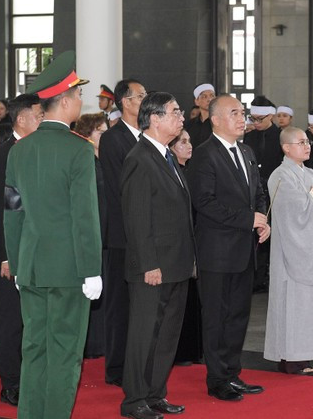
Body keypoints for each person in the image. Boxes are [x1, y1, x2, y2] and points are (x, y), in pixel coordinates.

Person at [3, 51, 102, 419]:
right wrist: (92, 268)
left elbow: (12, 213)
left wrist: (15, 262)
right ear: (63, 101)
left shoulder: (20, 150)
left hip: (30, 266)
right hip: (69, 270)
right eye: (78, 96)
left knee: (35, 349)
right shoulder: (78, 150)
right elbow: (84, 216)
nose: (80, 101)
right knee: (64, 352)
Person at [186, 95, 269, 403]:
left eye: (242, 112)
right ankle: (217, 378)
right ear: (216, 119)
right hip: (217, 251)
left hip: (243, 250)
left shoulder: (246, 151)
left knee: (238, 315)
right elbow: (204, 202)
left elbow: (257, 193)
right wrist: (249, 219)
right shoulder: (205, 155)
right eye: (234, 113)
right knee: (216, 317)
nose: (241, 117)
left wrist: (262, 220)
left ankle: (232, 373)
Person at [120, 92, 195, 419]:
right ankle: (134, 399)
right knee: (144, 334)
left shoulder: (166, 156)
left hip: (176, 263)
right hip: (153, 266)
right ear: (154, 118)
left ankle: (154, 394)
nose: (181, 118)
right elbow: (137, 218)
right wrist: (149, 263)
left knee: (166, 335)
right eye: (175, 113)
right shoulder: (139, 158)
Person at [264, 127, 313, 375]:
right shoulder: (280, 176)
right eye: (300, 142)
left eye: (307, 141)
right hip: (293, 253)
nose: (307, 146)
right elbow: (291, 211)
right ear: (286, 148)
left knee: (311, 307)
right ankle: (289, 358)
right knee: (292, 304)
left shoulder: (311, 173)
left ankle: (306, 354)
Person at [0, 93, 43, 407]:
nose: (43, 119)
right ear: (21, 119)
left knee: (36, 319)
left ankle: (35, 376)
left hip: (41, 251)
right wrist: (6, 254)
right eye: (38, 114)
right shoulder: (2, 155)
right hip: (12, 253)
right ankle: (11, 382)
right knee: (11, 320)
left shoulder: (44, 150)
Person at [99, 77, 146, 386]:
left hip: (145, 234)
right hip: (123, 234)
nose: (146, 99)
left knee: (142, 304)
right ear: (126, 102)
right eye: (141, 95)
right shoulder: (115, 139)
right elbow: (121, 189)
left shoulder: (148, 135)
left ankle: (138, 362)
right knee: (120, 304)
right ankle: (116, 368)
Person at [73, 113, 109, 361]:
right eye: (100, 131)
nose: (105, 135)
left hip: (108, 233)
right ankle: (90, 344)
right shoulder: (83, 160)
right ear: (88, 134)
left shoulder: (105, 159)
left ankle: (102, 341)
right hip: (90, 233)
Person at [169, 130, 203, 366]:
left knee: (194, 301)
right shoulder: (172, 174)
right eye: (183, 142)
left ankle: (192, 350)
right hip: (178, 247)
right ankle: (180, 352)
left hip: (196, 244)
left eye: (190, 140)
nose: (189, 145)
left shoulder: (192, 172)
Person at [244, 96, 283, 293]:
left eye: (260, 119)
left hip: (276, 193)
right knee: (256, 233)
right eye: (253, 119)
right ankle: (256, 278)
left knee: (274, 235)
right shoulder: (249, 137)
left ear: (271, 116)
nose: (256, 123)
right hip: (254, 192)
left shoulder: (281, 136)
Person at [186, 83, 215, 149]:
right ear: (197, 101)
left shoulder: (220, 123)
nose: (209, 99)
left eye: (212, 96)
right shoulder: (189, 125)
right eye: (204, 97)